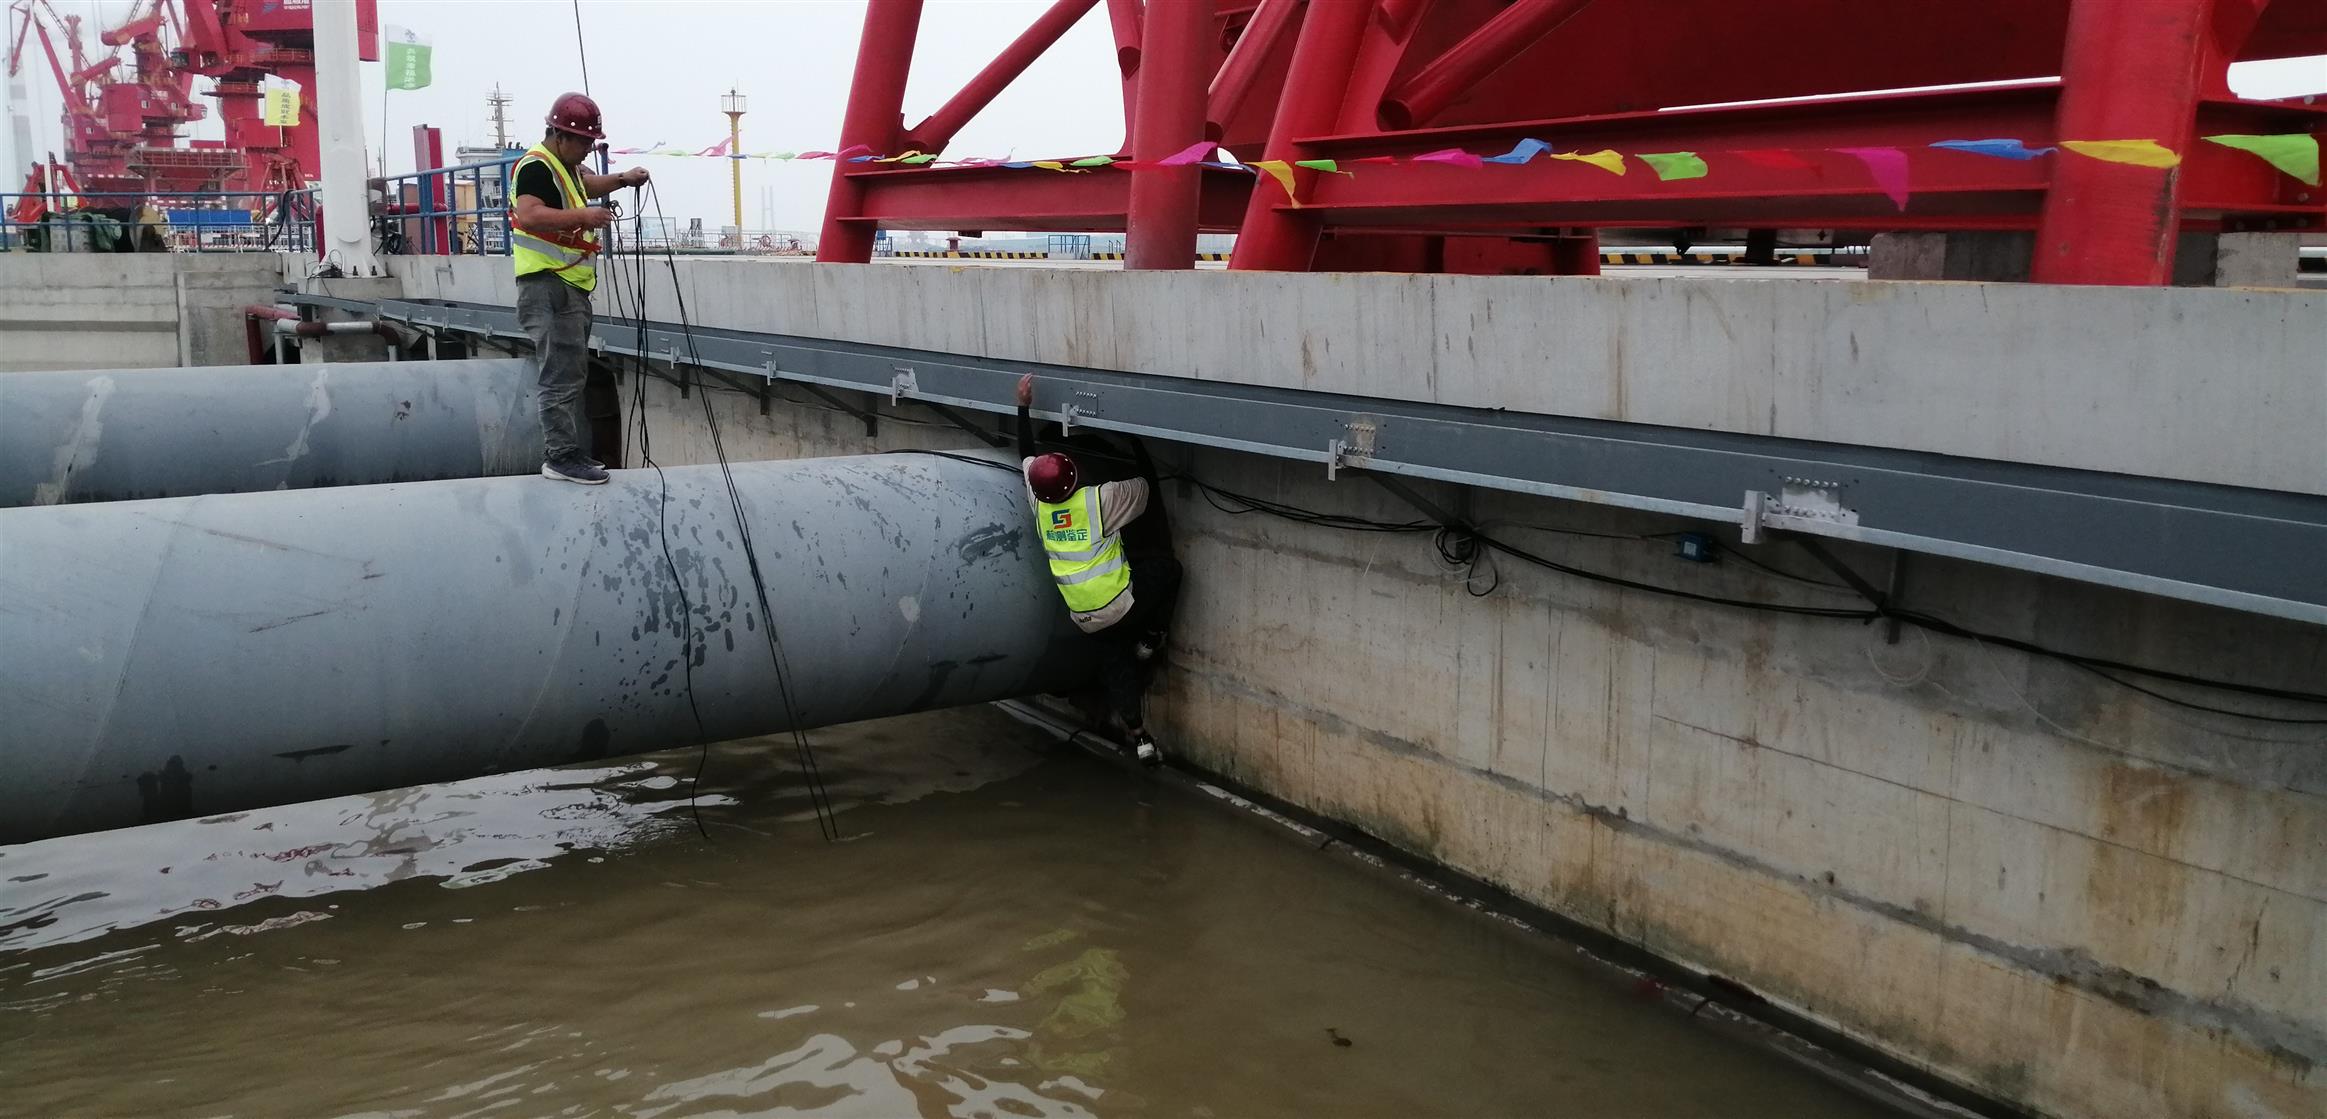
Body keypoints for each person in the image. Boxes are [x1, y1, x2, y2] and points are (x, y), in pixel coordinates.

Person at [1016, 373, 1181, 766]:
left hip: (1085, 617)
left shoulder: (1038, 505)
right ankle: (1153, 636)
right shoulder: (1098, 502)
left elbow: (1026, 454)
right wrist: (1137, 445)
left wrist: (1022, 406)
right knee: (1168, 571)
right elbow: (1144, 489)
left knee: (1115, 665)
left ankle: (1140, 739)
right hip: (1124, 604)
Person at [512, 91, 650, 485]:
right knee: (560, 374)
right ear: (560, 135)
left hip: (569, 285)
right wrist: (584, 216)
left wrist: (624, 179)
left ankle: (568, 452)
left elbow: (588, 184)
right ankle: (559, 457)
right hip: (547, 285)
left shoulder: (565, 167)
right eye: (584, 140)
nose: (589, 147)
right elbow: (531, 214)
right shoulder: (536, 168)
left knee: (571, 372)